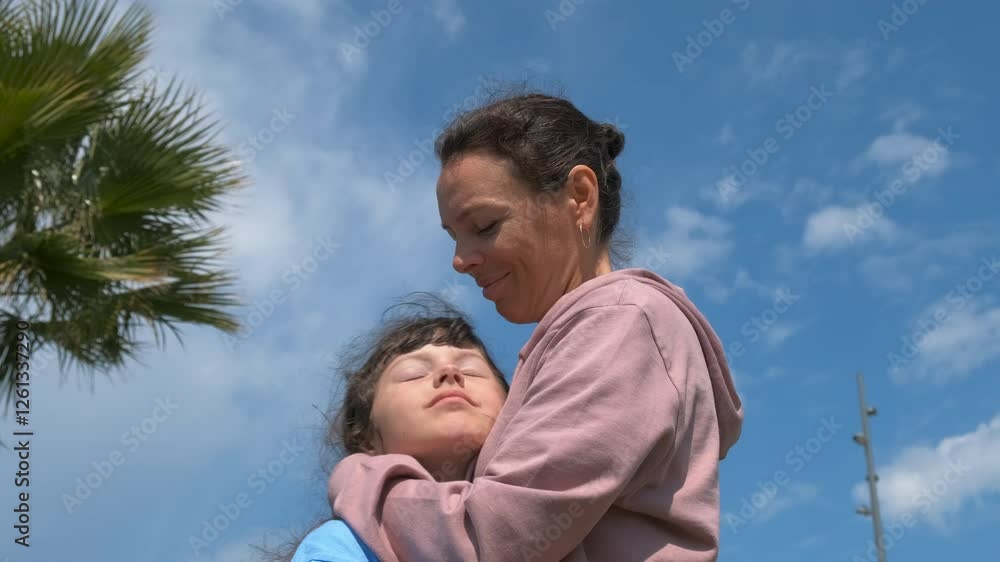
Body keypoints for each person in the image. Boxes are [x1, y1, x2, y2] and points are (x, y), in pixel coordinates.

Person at [327, 92, 745, 561]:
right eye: (454, 237)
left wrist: (363, 484)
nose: (460, 260)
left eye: (485, 225)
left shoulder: (619, 322)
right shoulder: (606, 330)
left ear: (580, 196)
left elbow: (493, 539)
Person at [283, 303, 509, 561]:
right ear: (365, 435)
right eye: (414, 374)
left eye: (471, 370)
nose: (450, 372)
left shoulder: (548, 504)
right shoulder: (338, 546)